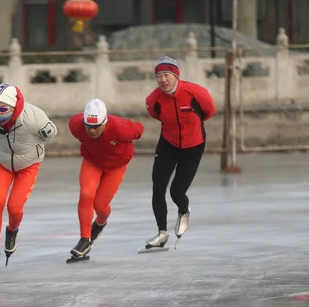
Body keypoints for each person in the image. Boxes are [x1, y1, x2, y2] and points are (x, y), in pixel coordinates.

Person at [0, 83, 57, 271]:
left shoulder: (33, 118)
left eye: (3, 109)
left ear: (14, 107)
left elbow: (50, 133)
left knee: (14, 207)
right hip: (3, 163)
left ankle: (12, 230)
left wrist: (34, 147)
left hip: (29, 165)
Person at [141, 56, 216, 253]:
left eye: (166, 75)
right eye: (159, 76)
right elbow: (156, 114)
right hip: (168, 144)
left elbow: (208, 111)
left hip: (194, 145)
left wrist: (192, 127)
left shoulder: (196, 93)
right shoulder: (153, 99)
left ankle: (184, 210)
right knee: (158, 187)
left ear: (176, 75)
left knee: (176, 192)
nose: (163, 80)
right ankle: (162, 233)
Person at [67, 98, 144, 262]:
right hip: (92, 162)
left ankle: (101, 222)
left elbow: (140, 129)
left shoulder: (121, 128)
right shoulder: (76, 125)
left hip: (115, 167)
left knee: (99, 204)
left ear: (105, 121)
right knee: (86, 194)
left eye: (96, 127)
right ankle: (84, 239)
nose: (92, 131)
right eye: (88, 126)